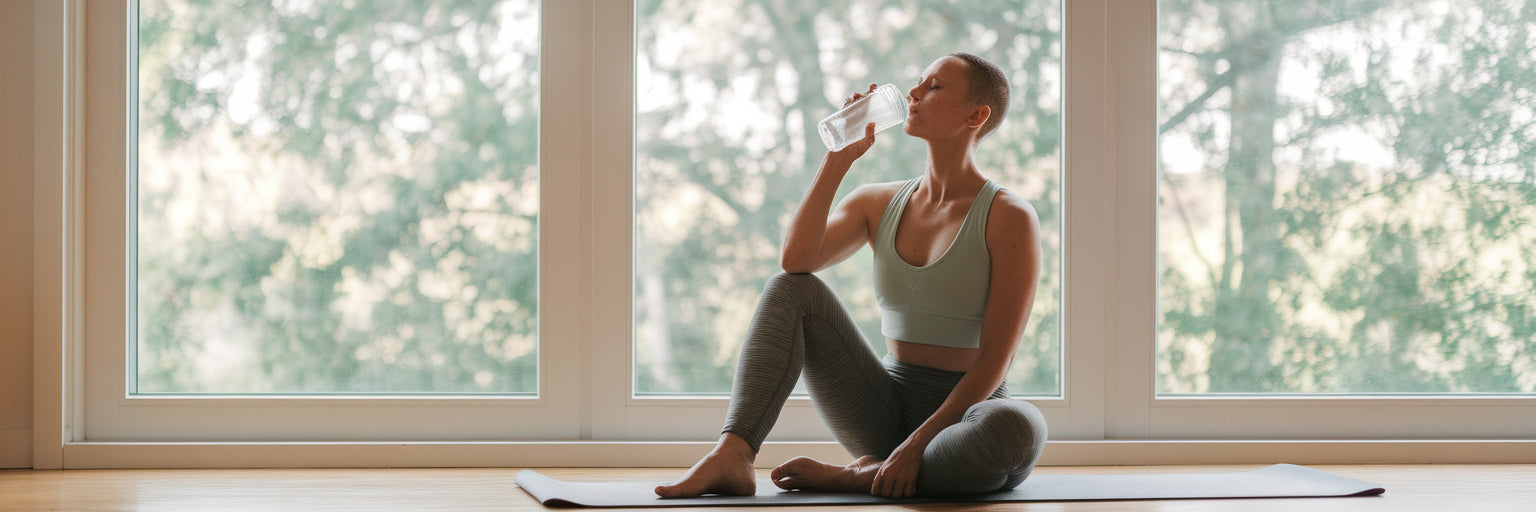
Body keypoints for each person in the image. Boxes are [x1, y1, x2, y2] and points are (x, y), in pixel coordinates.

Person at [654, 52, 1046, 499]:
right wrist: (837, 160)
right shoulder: (876, 203)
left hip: (967, 420)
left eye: (934, 87)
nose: (913, 93)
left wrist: (917, 446)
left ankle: (857, 477)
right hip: (881, 410)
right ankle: (733, 454)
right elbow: (796, 261)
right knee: (790, 289)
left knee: (1014, 427)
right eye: (917, 82)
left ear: (976, 115)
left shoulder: (1009, 216)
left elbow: (996, 361)